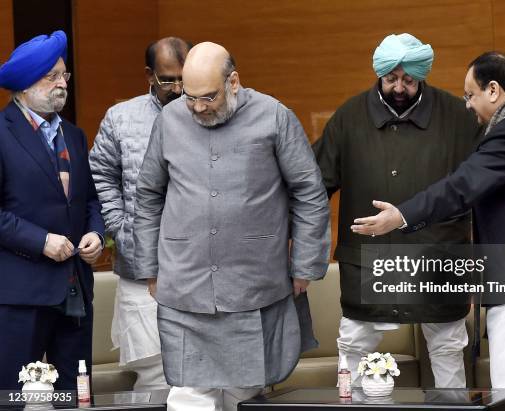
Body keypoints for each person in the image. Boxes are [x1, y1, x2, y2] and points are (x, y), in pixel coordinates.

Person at [313, 33, 505, 389]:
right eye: (391, 79)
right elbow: (313, 185)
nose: (399, 87)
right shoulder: (349, 117)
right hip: (372, 262)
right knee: (353, 347)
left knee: (450, 352)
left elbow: (484, 173)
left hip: (439, 260)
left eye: (409, 80)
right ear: (379, 75)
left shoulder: (460, 117)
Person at [133, 42, 330, 411]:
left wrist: (304, 264)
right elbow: (147, 195)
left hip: (254, 282)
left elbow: (309, 192)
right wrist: (148, 268)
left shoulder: (274, 116)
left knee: (244, 395)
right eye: (188, 97)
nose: (197, 108)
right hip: (183, 282)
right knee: (188, 396)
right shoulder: (170, 119)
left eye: (208, 97)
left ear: (233, 82)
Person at [0, 30, 104, 390]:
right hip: (21, 296)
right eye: (52, 77)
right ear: (25, 85)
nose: (63, 84)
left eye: (65, 76)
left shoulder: (74, 135)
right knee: (15, 397)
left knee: (75, 396)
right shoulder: (2, 132)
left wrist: (95, 233)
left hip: (75, 291)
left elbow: (89, 200)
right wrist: (41, 240)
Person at [89, 36, 191, 391]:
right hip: (141, 266)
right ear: (149, 75)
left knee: (200, 373)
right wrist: (119, 225)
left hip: (198, 265)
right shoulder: (121, 118)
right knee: (153, 373)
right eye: (168, 80)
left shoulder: (209, 111)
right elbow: (100, 174)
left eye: (185, 77)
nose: (178, 88)